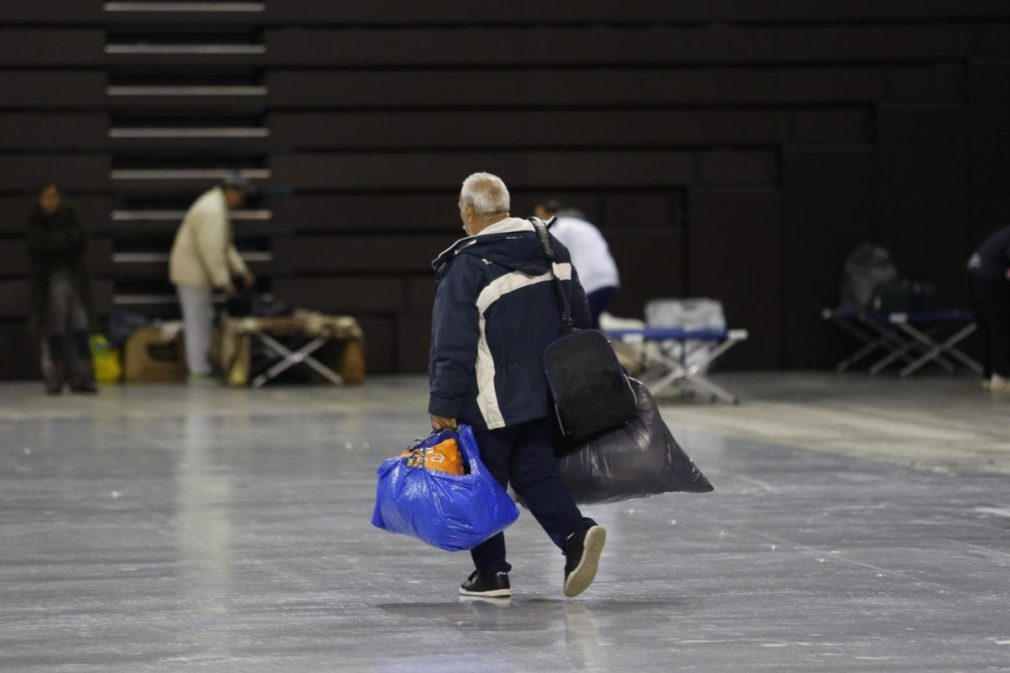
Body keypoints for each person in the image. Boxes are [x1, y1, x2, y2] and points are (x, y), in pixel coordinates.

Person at [429, 172, 607, 599]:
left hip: (492, 400)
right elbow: (580, 318)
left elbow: (453, 344)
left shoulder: (468, 264)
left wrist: (443, 402)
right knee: (534, 473)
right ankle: (575, 536)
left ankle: (492, 574)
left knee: (480, 484)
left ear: (469, 212)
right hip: (547, 396)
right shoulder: (550, 248)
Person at [169, 175, 255, 379]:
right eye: (241, 196)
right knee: (197, 321)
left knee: (201, 319)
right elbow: (212, 251)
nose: (241, 202)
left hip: (196, 273)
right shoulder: (213, 211)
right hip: (192, 275)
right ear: (231, 191)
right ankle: (198, 368)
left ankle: (201, 365)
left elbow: (224, 245)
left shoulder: (216, 206)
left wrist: (240, 270)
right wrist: (224, 282)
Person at [27, 182, 97, 394]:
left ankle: (82, 377)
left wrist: (58, 242)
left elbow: (80, 241)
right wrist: (63, 242)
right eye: (45, 196)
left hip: (74, 279)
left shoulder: (70, 216)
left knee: (80, 328)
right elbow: (40, 246)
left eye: (54, 196)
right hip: (48, 282)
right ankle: (54, 379)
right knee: (53, 331)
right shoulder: (35, 221)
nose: (50, 201)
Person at [533, 200, 620, 327]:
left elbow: (545, 252)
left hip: (591, 282)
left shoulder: (559, 226)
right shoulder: (581, 224)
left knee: (580, 327)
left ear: (546, 213)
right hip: (608, 279)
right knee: (591, 326)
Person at [967, 224, 1010, 394]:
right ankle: (1001, 377)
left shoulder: (1003, 233)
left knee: (986, 327)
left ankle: (988, 375)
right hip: (989, 278)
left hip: (974, 274)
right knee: (1002, 328)